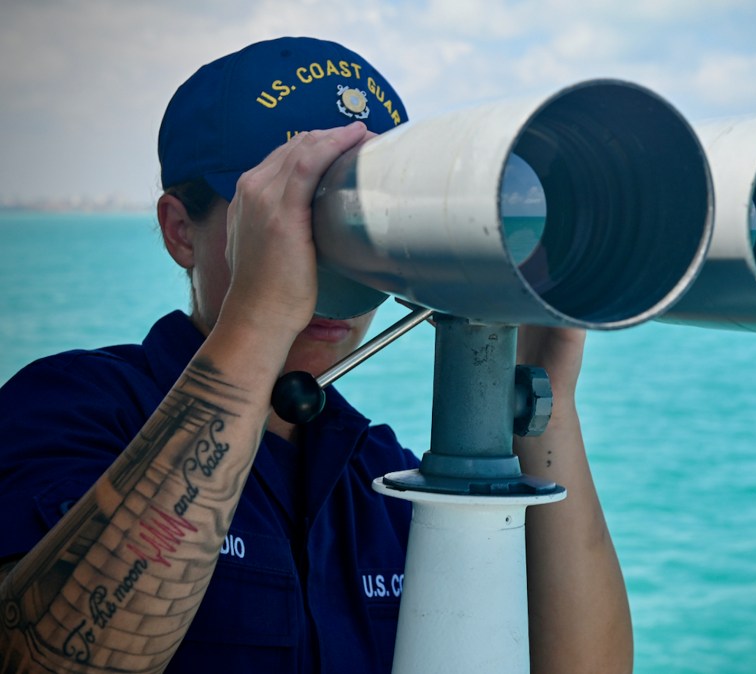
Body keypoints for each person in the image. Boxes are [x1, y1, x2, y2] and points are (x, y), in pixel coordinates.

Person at [0, 37, 632, 673]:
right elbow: (44, 660)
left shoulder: (383, 479)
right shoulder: (71, 410)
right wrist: (262, 316)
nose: (329, 263)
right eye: (293, 218)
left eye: (361, 223)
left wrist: (545, 399)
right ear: (179, 231)